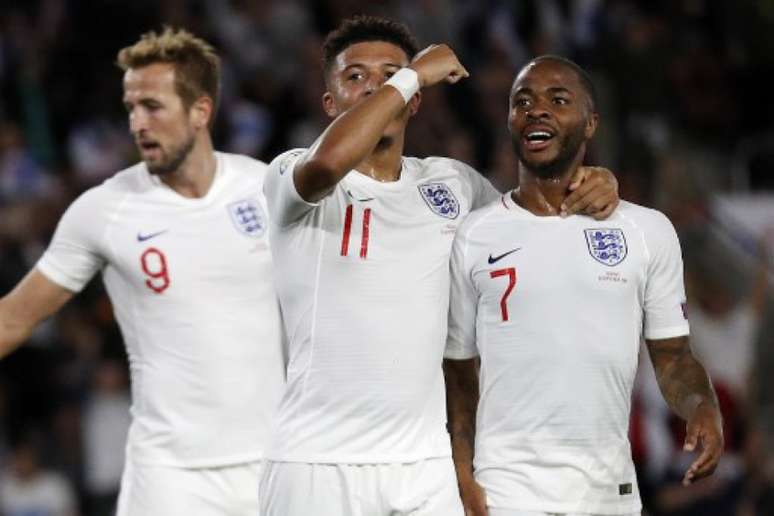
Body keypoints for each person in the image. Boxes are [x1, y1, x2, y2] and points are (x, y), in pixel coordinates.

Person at [261, 16, 619, 516]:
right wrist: (411, 73)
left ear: (414, 104)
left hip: (424, 468)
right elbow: (325, 165)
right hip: (317, 464)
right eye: (355, 77)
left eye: (389, 75)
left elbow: (534, 221)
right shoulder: (290, 175)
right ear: (330, 102)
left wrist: (594, 181)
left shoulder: (452, 185)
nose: (374, 87)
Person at [0, 28, 285, 515]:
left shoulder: (265, 186)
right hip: (169, 480)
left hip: (276, 465)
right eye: (131, 108)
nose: (137, 124)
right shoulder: (103, 210)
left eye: (152, 107)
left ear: (201, 111)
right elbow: (14, 318)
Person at [443, 55, 724, 516]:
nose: (537, 110)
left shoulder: (646, 231)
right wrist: (462, 474)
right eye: (523, 101)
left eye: (558, 99)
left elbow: (672, 356)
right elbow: (458, 373)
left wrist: (701, 406)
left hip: (607, 492)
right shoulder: (475, 234)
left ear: (591, 123)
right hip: (506, 491)